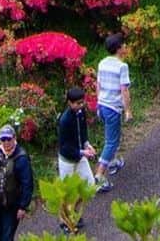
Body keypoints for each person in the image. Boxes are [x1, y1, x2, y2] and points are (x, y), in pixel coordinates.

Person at [94, 33, 131, 191]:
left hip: (102, 105)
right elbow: (124, 90)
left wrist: (98, 103)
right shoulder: (122, 66)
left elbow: (98, 85)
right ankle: (99, 176)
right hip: (112, 108)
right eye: (124, 45)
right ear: (119, 48)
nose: (125, 47)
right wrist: (128, 110)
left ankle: (114, 161)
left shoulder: (102, 63)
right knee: (111, 142)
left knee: (111, 136)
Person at [56, 86, 96, 231]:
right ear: (70, 103)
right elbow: (64, 147)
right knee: (67, 192)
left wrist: (87, 144)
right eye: (78, 103)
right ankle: (64, 220)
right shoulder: (64, 120)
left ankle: (73, 212)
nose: (81, 105)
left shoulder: (81, 113)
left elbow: (83, 132)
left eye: (82, 102)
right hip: (67, 160)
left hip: (79, 156)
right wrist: (82, 152)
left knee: (90, 185)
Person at [0, 124, 34, 241]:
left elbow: (27, 184)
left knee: (7, 237)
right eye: (3, 139)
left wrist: (23, 207)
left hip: (12, 205)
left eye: (8, 139)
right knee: (0, 235)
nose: (6, 142)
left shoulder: (21, 158)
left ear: (14, 138)